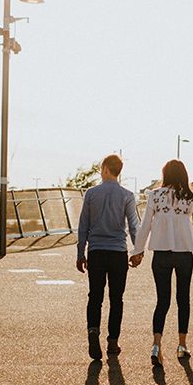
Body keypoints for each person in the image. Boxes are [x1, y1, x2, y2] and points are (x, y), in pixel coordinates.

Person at [130, 160, 193, 366]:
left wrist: (137, 251)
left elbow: (145, 226)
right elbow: (185, 216)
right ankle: (181, 345)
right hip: (184, 252)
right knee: (183, 298)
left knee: (162, 301)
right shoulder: (190, 196)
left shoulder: (154, 195)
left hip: (161, 253)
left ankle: (156, 345)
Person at [76, 154, 140, 360]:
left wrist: (80, 254)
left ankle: (93, 331)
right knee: (116, 299)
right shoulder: (127, 195)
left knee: (95, 297)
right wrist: (137, 251)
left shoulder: (91, 194)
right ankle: (113, 342)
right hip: (118, 253)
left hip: (96, 252)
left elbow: (83, 226)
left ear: (105, 169)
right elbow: (133, 226)